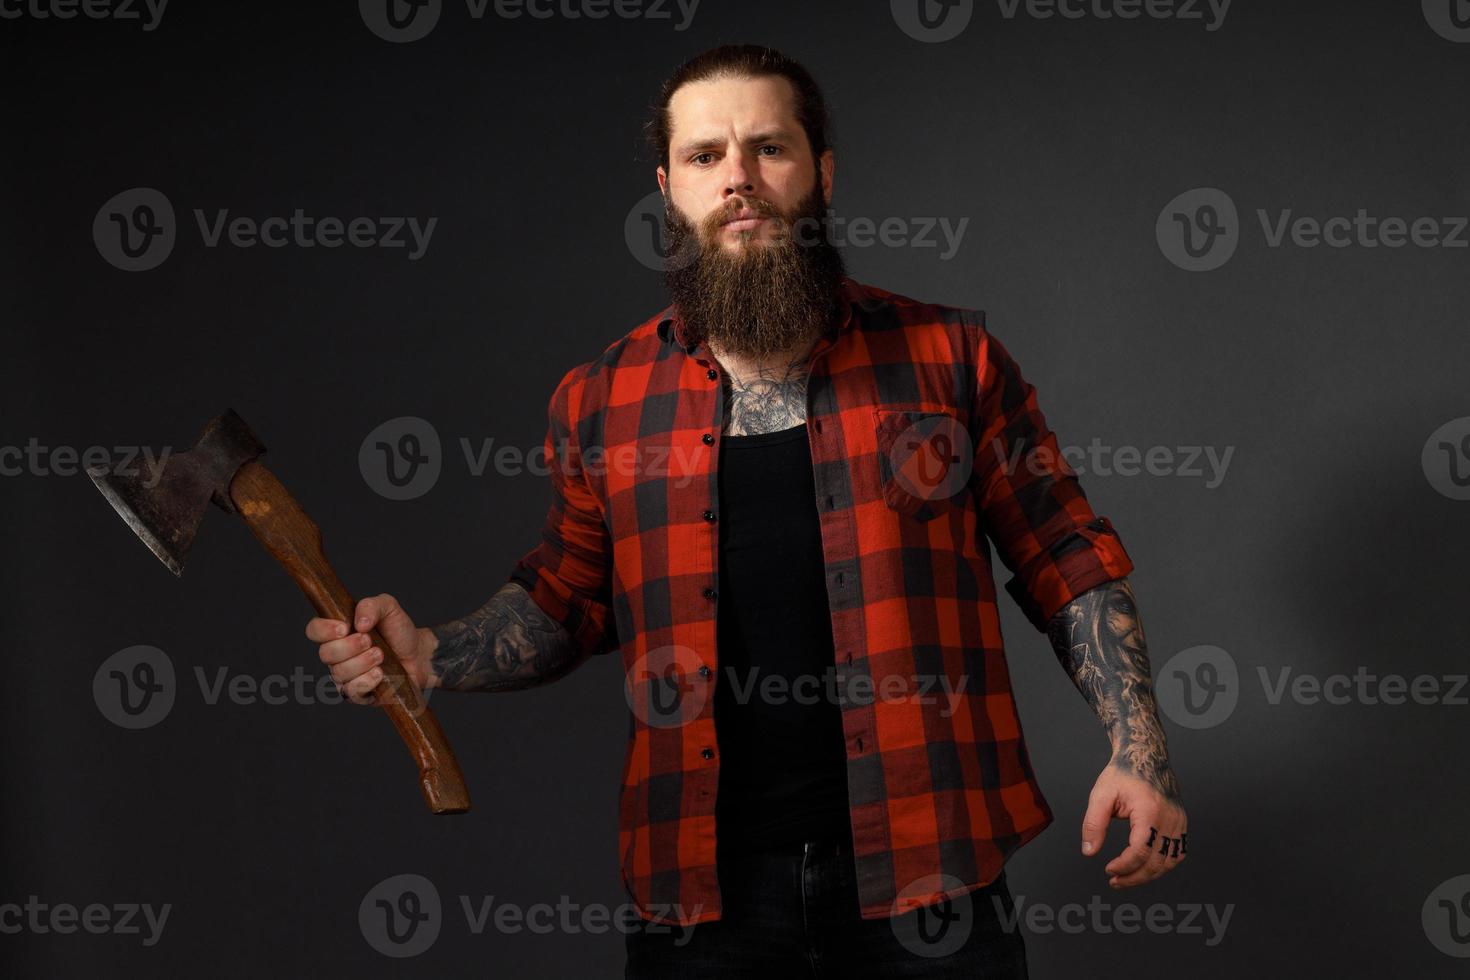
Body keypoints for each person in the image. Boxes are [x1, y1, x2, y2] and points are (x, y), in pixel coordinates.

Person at [305, 44, 1188, 978]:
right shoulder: (600, 399)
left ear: (822, 173)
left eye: (768, 148)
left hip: (933, 875)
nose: (738, 179)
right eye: (705, 156)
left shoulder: (951, 358)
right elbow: (568, 600)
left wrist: (1143, 752)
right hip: (702, 898)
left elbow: (1065, 554)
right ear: (668, 188)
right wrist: (431, 654)